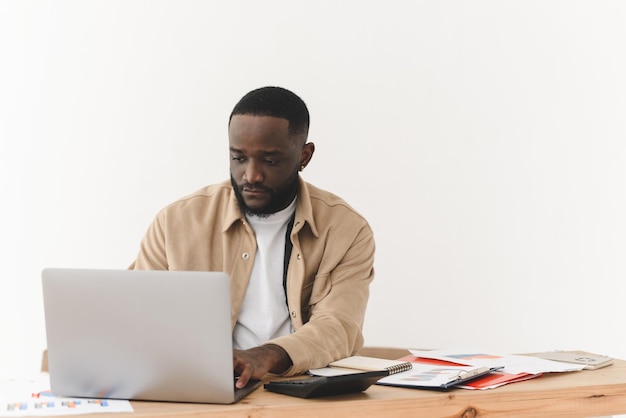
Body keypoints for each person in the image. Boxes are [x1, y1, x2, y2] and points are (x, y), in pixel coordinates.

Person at [130, 86, 375, 388]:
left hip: (300, 390)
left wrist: (265, 356)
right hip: (205, 387)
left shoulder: (346, 229)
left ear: (304, 156)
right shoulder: (176, 222)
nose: (251, 175)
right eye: (239, 158)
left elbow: (339, 327)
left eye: (270, 161)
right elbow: (136, 312)